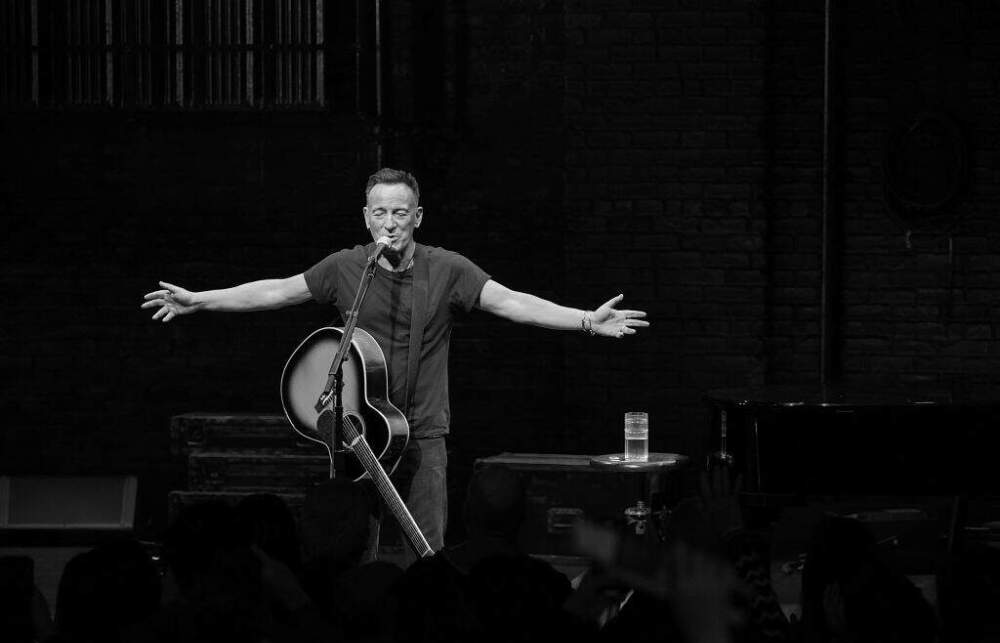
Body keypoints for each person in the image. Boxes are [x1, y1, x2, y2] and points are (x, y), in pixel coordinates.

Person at [142, 167, 649, 560]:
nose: (390, 223)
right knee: (357, 547)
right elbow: (277, 290)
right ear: (366, 217)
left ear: (418, 217)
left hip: (423, 434)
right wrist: (201, 300)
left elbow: (512, 301)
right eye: (381, 212)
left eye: (401, 213)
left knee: (422, 546)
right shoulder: (346, 267)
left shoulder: (447, 269)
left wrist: (585, 319)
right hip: (361, 436)